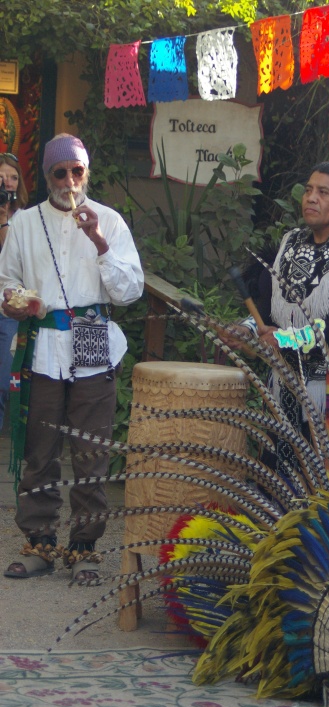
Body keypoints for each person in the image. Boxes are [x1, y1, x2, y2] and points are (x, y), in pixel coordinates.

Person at [0, 133, 144, 582]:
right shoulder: (24, 223)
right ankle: (39, 542)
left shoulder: (112, 222)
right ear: (46, 176)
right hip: (43, 349)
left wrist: (98, 240)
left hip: (94, 344)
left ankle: (84, 548)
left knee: (90, 451)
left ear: (86, 173)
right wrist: (12, 303)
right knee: (39, 451)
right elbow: (6, 283)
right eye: (58, 172)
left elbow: (129, 291)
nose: (68, 180)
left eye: (75, 171)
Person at [233, 161, 329, 478]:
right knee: (279, 477)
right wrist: (248, 329)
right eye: (309, 190)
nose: (311, 198)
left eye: (323, 192)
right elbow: (267, 306)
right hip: (286, 382)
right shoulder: (291, 243)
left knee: (325, 483)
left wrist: (287, 339)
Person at [0, 153, 28, 432]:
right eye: (1, 178)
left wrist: (3, 218)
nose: (7, 183)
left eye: (13, 177)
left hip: (9, 306)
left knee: (6, 376)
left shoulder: (24, 220)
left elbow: (10, 263)